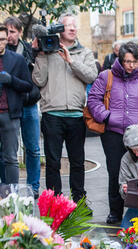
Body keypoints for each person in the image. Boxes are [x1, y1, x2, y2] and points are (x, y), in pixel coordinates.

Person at [87, 41, 138, 225]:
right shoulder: (106, 76)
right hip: (113, 133)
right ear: (120, 60)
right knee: (115, 172)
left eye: (135, 62)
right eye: (127, 61)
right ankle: (115, 211)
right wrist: (106, 116)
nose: (131, 65)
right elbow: (93, 99)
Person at [32, 13, 98, 204]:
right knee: (52, 163)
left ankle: (79, 202)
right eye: (68, 25)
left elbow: (91, 76)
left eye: (74, 26)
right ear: (59, 29)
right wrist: (43, 54)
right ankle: (55, 203)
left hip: (76, 115)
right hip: (52, 114)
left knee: (77, 162)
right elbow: (38, 80)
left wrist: (71, 61)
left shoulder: (84, 52)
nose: (72, 28)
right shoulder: (48, 50)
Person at [3, 16, 41, 198]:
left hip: (29, 104)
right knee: (9, 151)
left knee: (33, 149)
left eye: (13, 31)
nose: (9, 36)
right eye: (7, 32)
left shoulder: (29, 49)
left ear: (19, 32)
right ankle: (7, 187)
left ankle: (33, 187)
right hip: (11, 107)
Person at [0, 24, 33, 185]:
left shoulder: (17, 59)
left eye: (2, 39)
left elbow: (28, 86)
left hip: (10, 114)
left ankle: (11, 197)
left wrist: (11, 80)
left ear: (7, 40)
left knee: (11, 158)